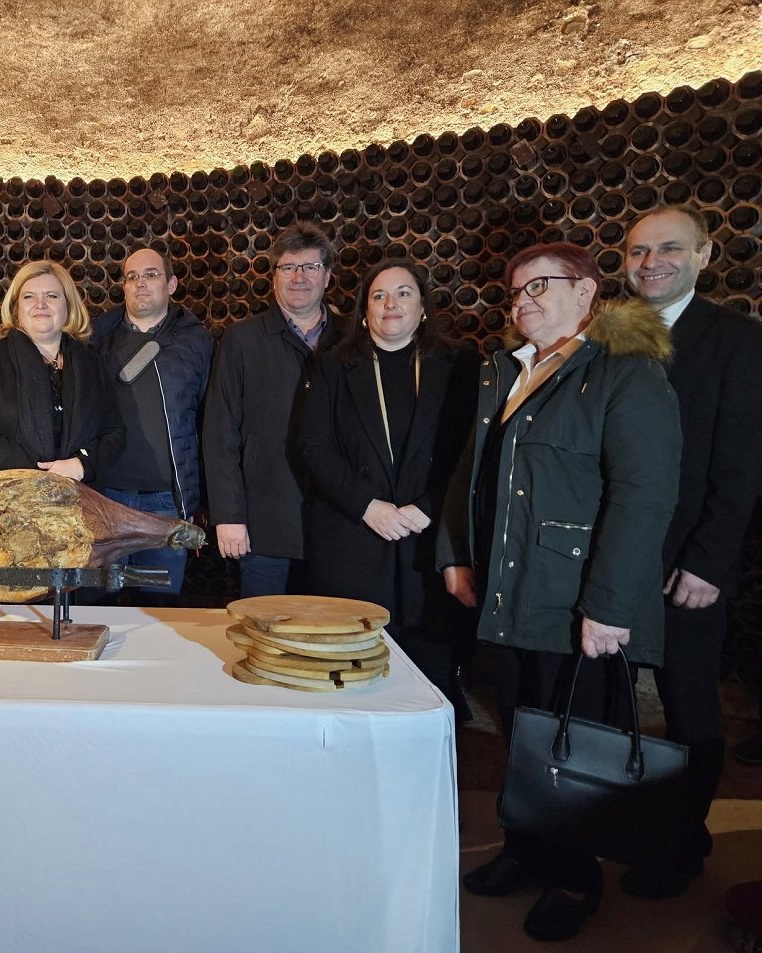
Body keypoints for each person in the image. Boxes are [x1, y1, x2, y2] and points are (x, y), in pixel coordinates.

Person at [439, 242, 681, 941]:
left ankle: (575, 876)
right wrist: (457, 555)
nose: (524, 301)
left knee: (573, 742)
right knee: (523, 730)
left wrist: (608, 605)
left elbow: (644, 495)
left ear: (587, 292)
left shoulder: (625, 373)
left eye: (540, 286)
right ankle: (524, 848)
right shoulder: (507, 370)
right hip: (512, 590)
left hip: (576, 601)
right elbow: (472, 472)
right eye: (516, 291)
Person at [618, 204, 762, 897]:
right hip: (614, 559)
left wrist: (709, 559)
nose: (652, 263)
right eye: (638, 252)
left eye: (669, 248)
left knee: (688, 706)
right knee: (609, 704)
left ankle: (681, 844)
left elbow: (742, 464)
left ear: (705, 255)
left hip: (687, 564)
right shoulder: (608, 334)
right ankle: (612, 823)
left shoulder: (739, 341)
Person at [297, 259, 478, 702]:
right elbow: (314, 447)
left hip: (429, 538)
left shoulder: (459, 363)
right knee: (353, 675)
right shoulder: (332, 367)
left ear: (423, 307)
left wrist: (428, 507)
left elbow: (470, 450)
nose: (390, 304)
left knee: (430, 672)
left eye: (403, 293)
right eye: (379, 296)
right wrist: (368, 506)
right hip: (353, 536)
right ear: (364, 312)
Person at [203, 222, 341, 596]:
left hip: (339, 524)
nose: (299, 277)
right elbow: (220, 432)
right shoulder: (241, 340)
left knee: (329, 627)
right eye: (289, 267)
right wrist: (228, 516)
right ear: (275, 275)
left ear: (327, 276)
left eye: (310, 267)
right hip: (264, 524)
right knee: (265, 626)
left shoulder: (351, 340)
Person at [91, 247, 212, 600]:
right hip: (105, 497)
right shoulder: (96, 339)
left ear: (171, 284)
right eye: (132, 277)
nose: (140, 283)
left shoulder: (196, 340)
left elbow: (208, 418)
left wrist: (203, 499)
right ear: (124, 287)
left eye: (151, 274)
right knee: (98, 605)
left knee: (158, 607)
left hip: (166, 501)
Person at [0, 260, 124, 482]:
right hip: (5, 493)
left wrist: (82, 464)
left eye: (52, 296)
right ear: (16, 309)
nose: (40, 304)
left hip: (77, 493)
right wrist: (34, 471)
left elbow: (114, 432)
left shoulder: (91, 364)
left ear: (68, 306)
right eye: (29, 297)